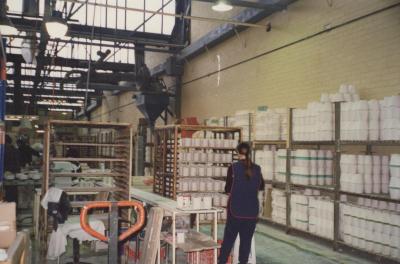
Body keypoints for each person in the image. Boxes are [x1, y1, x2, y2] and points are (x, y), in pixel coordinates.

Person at [218, 142, 265, 264]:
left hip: (235, 212)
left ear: (238, 153)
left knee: (228, 241)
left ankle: (222, 262)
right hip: (251, 213)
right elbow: (261, 186)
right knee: (246, 243)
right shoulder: (257, 169)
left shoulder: (233, 168)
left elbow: (227, 189)